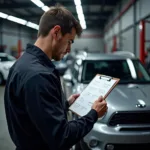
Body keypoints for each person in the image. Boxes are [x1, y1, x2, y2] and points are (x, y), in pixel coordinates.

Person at [4, 5, 108, 150]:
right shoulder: (39, 75)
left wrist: (64, 104)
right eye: (70, 41)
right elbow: (62, 137)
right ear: (57, 32)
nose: (69, 49)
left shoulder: (22, 64)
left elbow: (33, 112)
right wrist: (93, 114)